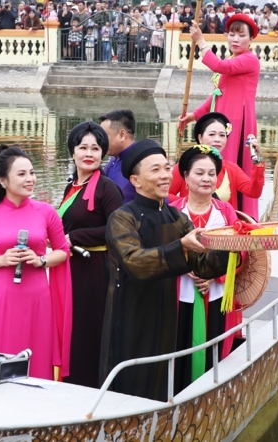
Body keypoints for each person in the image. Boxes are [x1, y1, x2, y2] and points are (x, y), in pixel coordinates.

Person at [99, 139, 230, 401]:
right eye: (155, 170)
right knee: (129, 377)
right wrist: (180, 246)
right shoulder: (123, 217)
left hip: (165, 309)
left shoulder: (176, 217)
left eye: (166, 168)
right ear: (135, 180)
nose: (164, 176)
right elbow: (134, 262)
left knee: (160, 374)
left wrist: (232, 244)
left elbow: (202, 265)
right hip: (130, 311)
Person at [0, 145, 72, 380]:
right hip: (0, 298)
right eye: (22, 174)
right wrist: (1, 260)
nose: (30, 179)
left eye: (32, 173)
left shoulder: (46, 212)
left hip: (37, 297)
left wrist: (41, 260)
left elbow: (63, 251)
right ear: (3, 180)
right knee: (0, 359)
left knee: (36, 359)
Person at [169, 145, 243, 391]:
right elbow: (160, 249)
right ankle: (177, 393)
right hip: (178, 292)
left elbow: (241, 250)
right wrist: (182, 265)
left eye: (212, 174)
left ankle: (211, 395)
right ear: (186, 177)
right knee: (178, 346)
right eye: (199, 173)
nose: (206, 179)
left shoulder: (226, 211)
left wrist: (216, 276)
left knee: (214, 344)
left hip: (216, 293)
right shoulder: (171, 211)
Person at [178, 13, 261, 219]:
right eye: (231, 34)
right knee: (215, 162)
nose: (235, 39)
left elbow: (218, 67)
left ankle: (237, 215)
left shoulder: (249, 59)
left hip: (237, 122)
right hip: (222, 118)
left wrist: (200, 41)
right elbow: (217, 93)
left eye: (241, 35)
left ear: (251, 39)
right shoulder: (232, 58)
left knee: (230, 168)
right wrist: (194, 115)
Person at [60, 122, 123, 388]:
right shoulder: (72, 186)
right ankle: (68, 376)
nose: (89, 153)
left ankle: (89, 384)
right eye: (83, 147)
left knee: (89, 325)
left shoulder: (107, 188)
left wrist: (75, 238)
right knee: (71, 324)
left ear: (103, 153)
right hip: (70, 266)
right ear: (72, 152)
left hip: (95, 269)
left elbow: (117, 228)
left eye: (95, 148)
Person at [168, 113, 264, 212]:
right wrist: (189, 204)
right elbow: (164, 195)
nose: (217, 139)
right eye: (212, 134)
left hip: (224, 225)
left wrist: (257, 162)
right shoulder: (185, 166)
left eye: (222, 135)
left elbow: (254, 192)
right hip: (189, 224)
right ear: (200, 138)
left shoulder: (232, 169)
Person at [99, 109, 137, 204]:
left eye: (104, 136)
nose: (100, 141)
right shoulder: (114, 160)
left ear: (122, 135)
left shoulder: (143, 162)